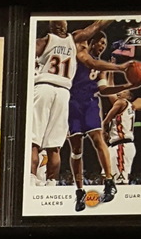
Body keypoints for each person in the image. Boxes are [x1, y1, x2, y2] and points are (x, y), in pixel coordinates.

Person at [29, 20, 108, 185]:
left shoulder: (43, 41)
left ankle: (31, 177)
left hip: (44, 87)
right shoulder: (74, 39)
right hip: (63, 92)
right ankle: (52, 182)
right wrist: (114, 14)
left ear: (52, 28)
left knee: (33, 142)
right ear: (63, 27)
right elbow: (95, 27)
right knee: (54, 146)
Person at [66, 32, 128, 210]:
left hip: (90, 104)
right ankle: (79, 191)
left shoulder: (102, 66)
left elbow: (104, 89)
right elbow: (91, 63)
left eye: (104, 44)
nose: (102, 46)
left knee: (98, 139)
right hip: (72, 103)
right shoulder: (81, 55)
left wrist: (127, 86)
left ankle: (109, 181)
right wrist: (120, 68)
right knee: (76, 149)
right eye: (100, 42)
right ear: (91, 43)